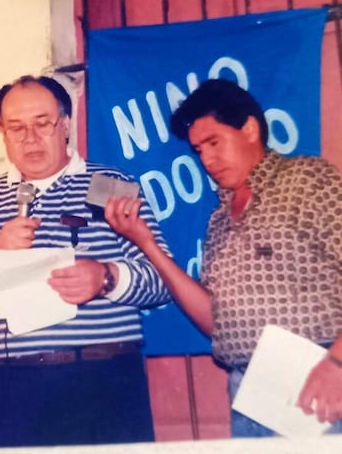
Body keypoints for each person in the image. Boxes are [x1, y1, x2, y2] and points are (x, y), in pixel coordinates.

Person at [0, 75, 171, 447]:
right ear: (3, 134)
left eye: (42, 124)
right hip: (13, 388)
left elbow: (161, 280)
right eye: (16, 128)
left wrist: (107, 277)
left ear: (65, 125)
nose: (30, 138)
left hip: (104, 379)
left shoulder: (109, 184)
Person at [104, 78, 342, 437]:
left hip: (319, 382)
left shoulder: (307, 180)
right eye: (198, 150)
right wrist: (146, 243)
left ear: (249, 128)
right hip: (251, 391)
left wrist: (336, 364)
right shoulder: (219, 220)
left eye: (214, 142)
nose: (207, 159)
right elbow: (216, 324)